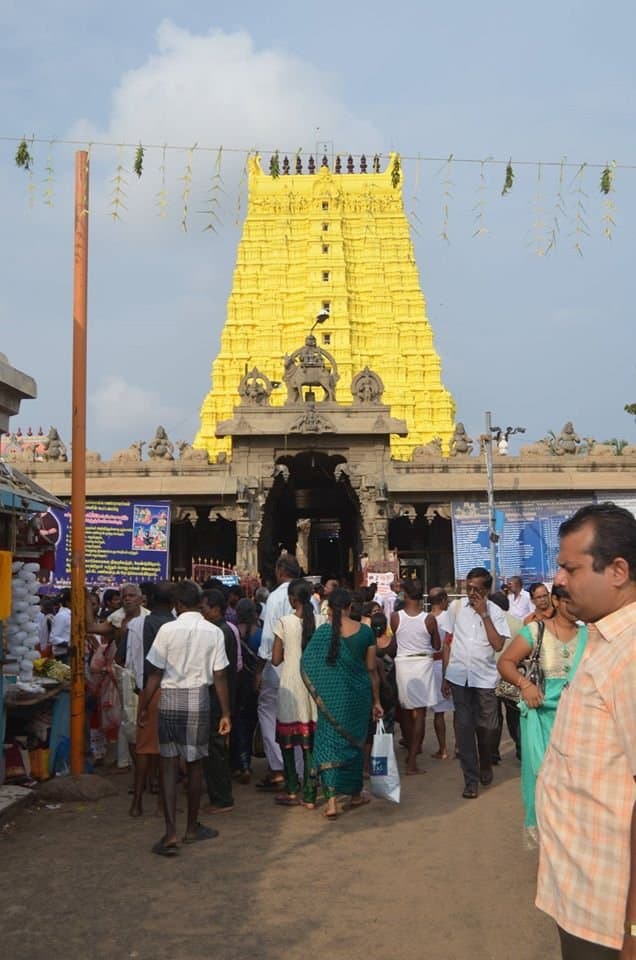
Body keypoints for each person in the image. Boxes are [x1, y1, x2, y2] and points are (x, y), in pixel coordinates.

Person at [534, 503, 636, 958]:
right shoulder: (600, 640)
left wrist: (635, 931)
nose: (558, 581)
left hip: (612, 916)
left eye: (569, 568)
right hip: (582, 894)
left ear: (617, 570)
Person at [140, 580, 231, 856]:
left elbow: (154, 673)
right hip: (198, 700)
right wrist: (226, 712)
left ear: (178, 605)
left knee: (168, 765)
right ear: (198, 602)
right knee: (195, 765)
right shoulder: (213, 632)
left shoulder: (167, 629)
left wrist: (144, 706)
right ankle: (191, 827)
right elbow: (220, 675)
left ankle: (170, 832)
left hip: (169, 699)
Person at [498, 585, 587, 836]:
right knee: (545, 778)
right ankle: (551, 837)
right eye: (569, 601)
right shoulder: (535, 631)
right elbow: (505, 663)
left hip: (578, 719)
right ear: (555, 601)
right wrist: (525, 685)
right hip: (542, 717)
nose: (575, 607)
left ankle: (572, 838)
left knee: (577, 781)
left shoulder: (588, 635)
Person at [301, 588, 383, 820]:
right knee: (355, 746)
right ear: (349, 606)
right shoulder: (365, 632)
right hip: (358, 698)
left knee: (328, 744)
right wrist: (377, 701)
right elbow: (371, 670)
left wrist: (323, 691)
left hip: (330, 701)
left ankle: (331, 802)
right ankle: (355, 795)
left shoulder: (323, 633)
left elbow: (307, 662)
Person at [442, 567, 510, 799]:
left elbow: (498, 644)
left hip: (485, 678)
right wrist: (445, 674)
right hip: (459, 677)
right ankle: (470, 780)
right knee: (464, 728)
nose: (471, 593)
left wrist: (484, 615)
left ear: (487, 589)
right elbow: (448, 643)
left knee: (488, 727)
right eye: (468, 588)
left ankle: (486, 762)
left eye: (476, 589)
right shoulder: (456, 608)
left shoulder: (496, 612)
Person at [271, 579, 321, 807]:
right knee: (310, 740)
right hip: (313, 684)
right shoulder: (321, 622)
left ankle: (292, 788)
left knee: (288, 741)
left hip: (291, 683)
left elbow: (275, 659)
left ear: (292, 599)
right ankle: (311, 794)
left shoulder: (284, 623)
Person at [129, 581, 176, 817]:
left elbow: (133, 660)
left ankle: (137, 801)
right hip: (174, 688)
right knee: (169, 751)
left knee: (145, 748)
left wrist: (142, 699)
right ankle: (162, 802)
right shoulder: (178, 625)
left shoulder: (138, 624)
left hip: (148, 689)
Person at [255, 555, 301, 791]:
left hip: (278, 665)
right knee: (298, 717)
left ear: (280, 571)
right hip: (301, 667)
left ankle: (278, 768)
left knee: (268, 713)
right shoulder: (308, 596)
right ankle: (299, 770)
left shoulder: (274, 597)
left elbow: (268, 637)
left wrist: (260, 669)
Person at [391, 579, 440, 775]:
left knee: (405, 711)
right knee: (420, 713)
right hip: (423, 664)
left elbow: (394, 640)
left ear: (405, 594)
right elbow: (436, 645)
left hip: (403, 664)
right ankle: (412, 759)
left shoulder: (395, 617)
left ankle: (411, 750)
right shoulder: (429, 619)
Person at [200, 589, 239, 814]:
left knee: (215, 749)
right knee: (215, 749)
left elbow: (220, 673)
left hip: (217, 697)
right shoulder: (222, 630)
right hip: (220, 696)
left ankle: (222, 798)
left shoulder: (219, 632)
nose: (202, 613)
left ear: (215, 609)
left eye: (204, 608)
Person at [428, 588, 455, 760]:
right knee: (457, 709)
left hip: (434, 665)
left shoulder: (427, 618)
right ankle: (459, 746)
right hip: (452, 663)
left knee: (439, 711)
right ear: (444, 599)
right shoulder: (450, 617)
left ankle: (443, 748)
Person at [49, 588, 71, 661]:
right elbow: (53, 638)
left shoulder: (70, 614)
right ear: (68, 602)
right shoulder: (62, 616)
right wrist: (69, 644)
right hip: (64, 655)